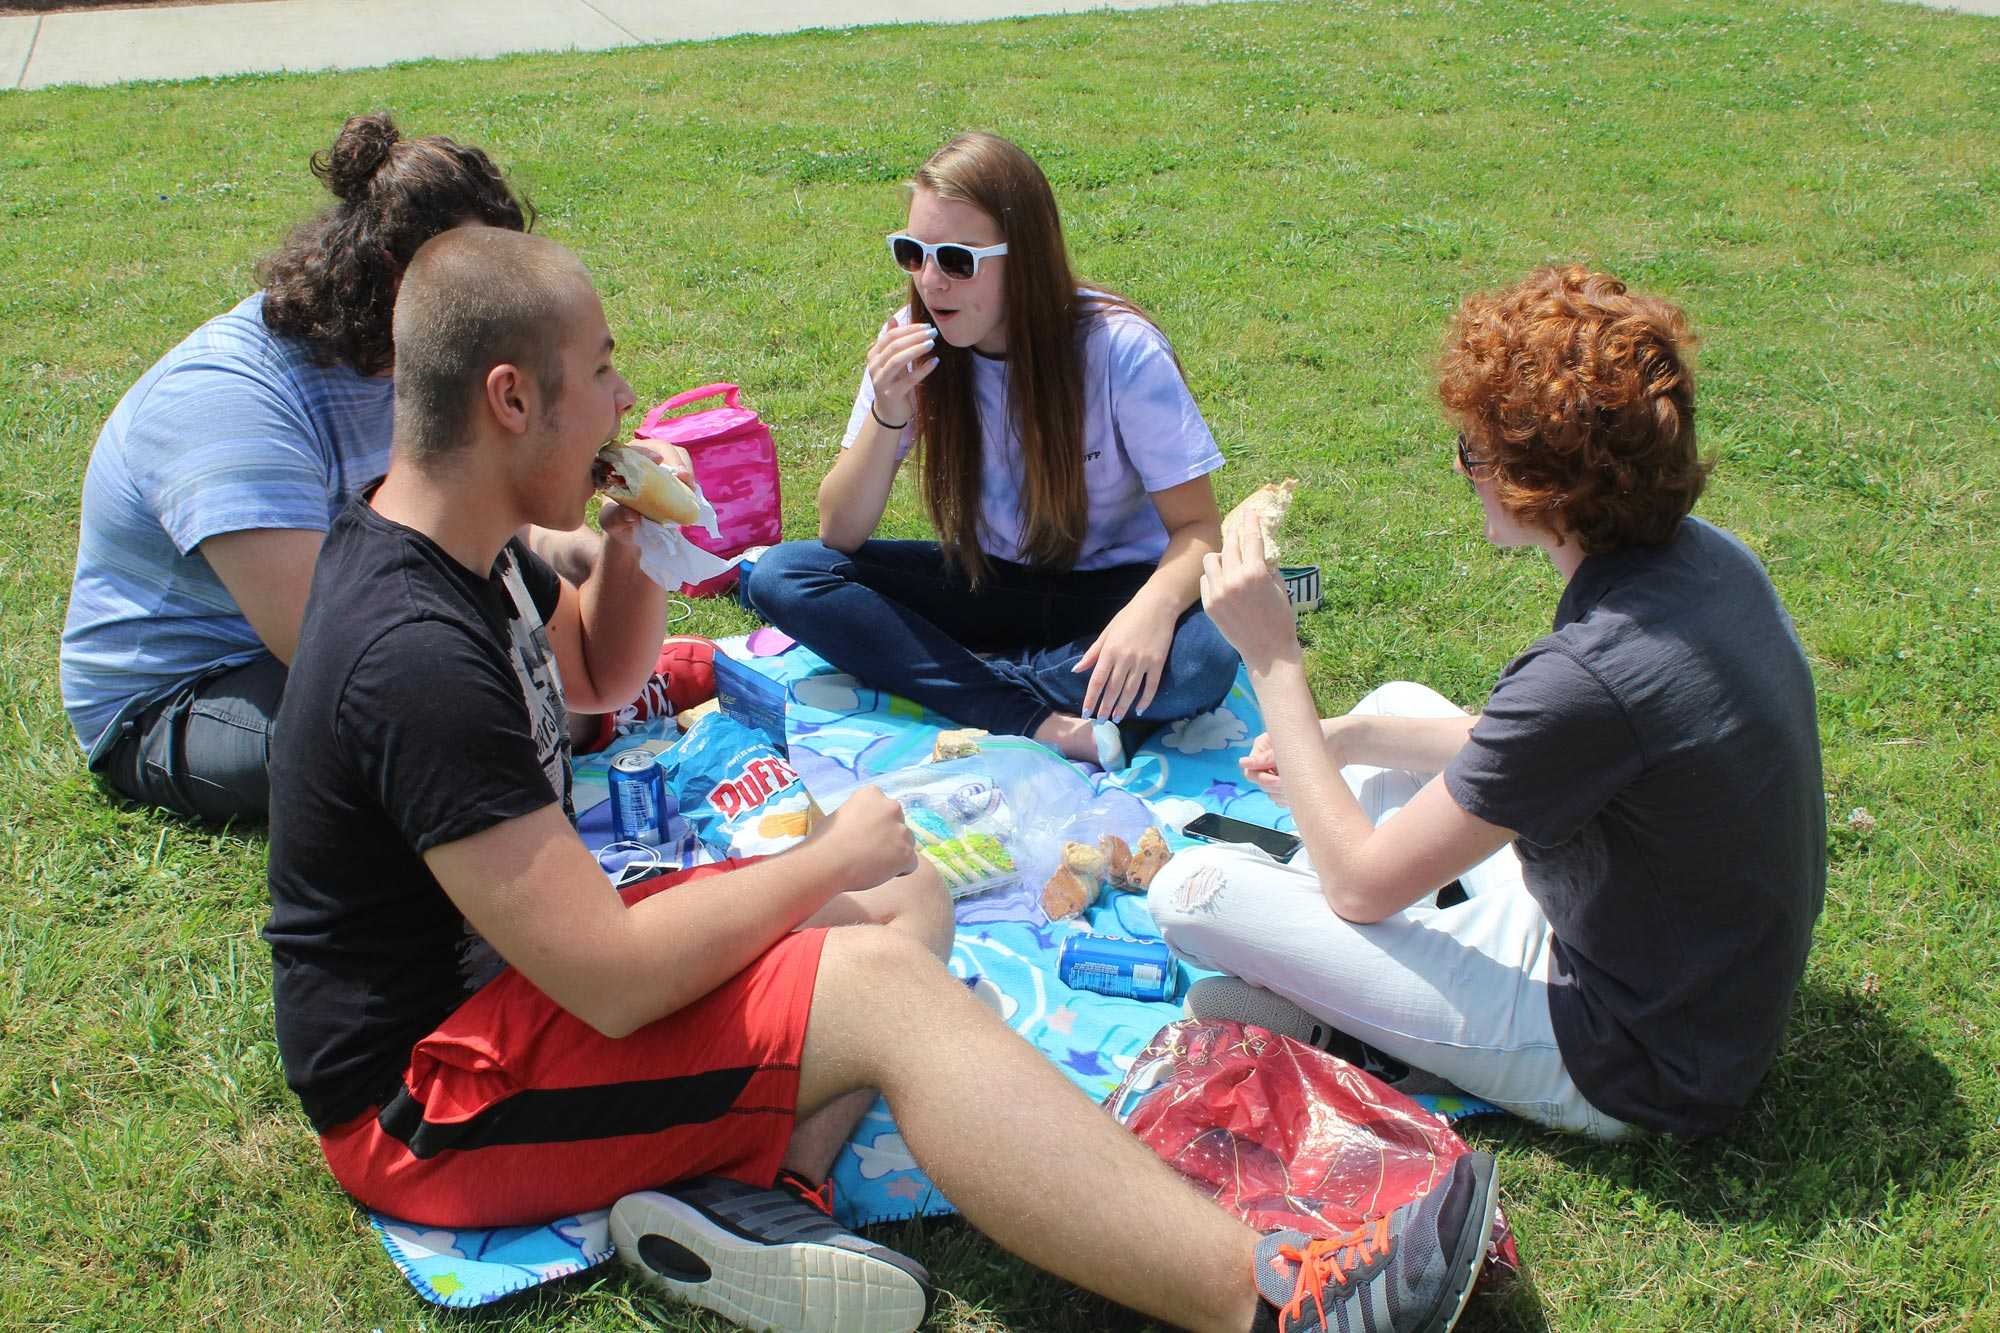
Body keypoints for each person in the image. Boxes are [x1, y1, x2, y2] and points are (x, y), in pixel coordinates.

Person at [263, 223, 1497, 1333]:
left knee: (906, 897)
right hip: (430, 1099)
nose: (622, 396)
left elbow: (592, 673)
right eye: (599, 370)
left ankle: (762, 1209)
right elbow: (613, 977)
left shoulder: (461, 542)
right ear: (510, 398)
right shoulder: (409, 658)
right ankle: (1277, 1305)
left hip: (523, 994)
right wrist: (820, 861)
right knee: (877, 984)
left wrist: (636, 547)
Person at [1154, 266, 1825, 1140]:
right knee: (1390, 712)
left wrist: (1273, 657)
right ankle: (1354, 995)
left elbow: (1359, 886)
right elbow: (1542, 744)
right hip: (1692, 984)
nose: (1465, 471)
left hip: (1635, 1058)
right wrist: (1350, 735)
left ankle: (1365, 1035)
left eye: (1476, 453)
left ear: (1540, 486)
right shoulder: (1706, 560)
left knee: (1191, 890)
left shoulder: (1587, 674)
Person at [57, 111, 639, 823]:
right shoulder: (229, 403)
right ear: (397, 275)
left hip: (365, 614)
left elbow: (473, 552)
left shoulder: (430, 373)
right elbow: (338, 650)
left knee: (502, 702)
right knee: (441, 732)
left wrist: (582, 547)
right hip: (183, 692)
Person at [746, 131, 1238, 764]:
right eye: (912, 253)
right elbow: (839, 531)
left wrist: (1151, 613)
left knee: (1204, 659)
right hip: (993, 586)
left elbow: (1199, 530)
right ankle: (1041, 716)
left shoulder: (1119, 350)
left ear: (1024, 259)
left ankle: (952, 676)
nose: (930, 282)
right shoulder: (911, 341)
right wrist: (889, 414)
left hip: (1115, 593)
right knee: (785, 575)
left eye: (956, 259)